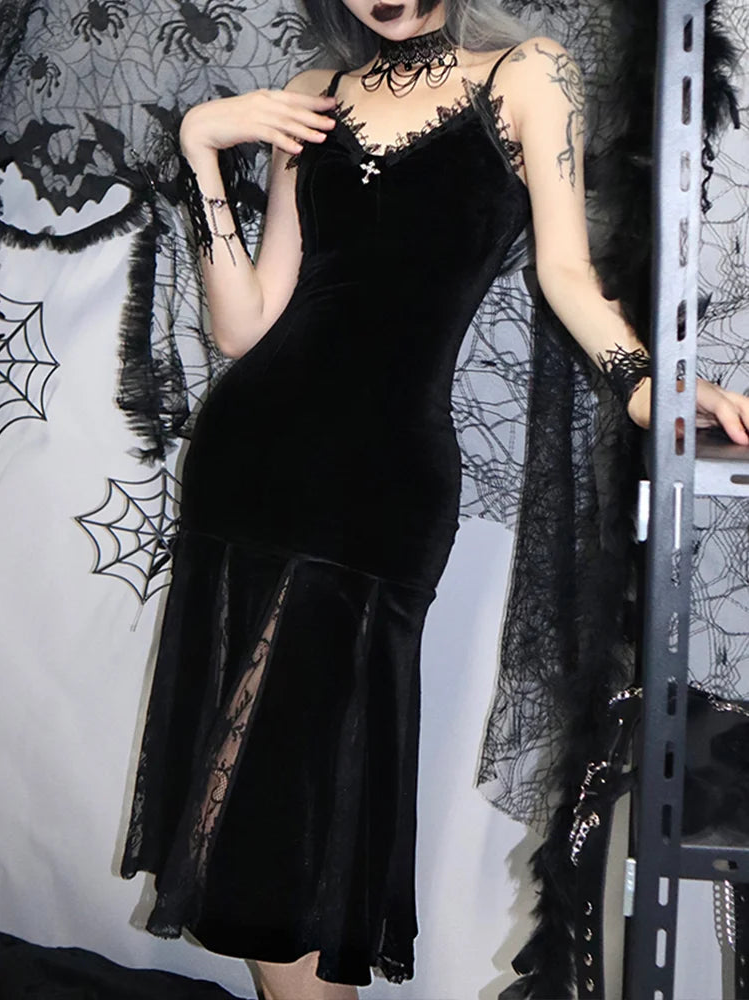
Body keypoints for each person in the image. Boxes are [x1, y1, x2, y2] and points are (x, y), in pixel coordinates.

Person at [119, 1, 749, 998]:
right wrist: (200, 148)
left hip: (378, 483)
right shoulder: (311, 95)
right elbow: (243, 324)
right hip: (250, 466)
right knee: (245, 812)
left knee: (285, 802)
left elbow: (567, 274)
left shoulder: (525, 73)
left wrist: (651, 388)